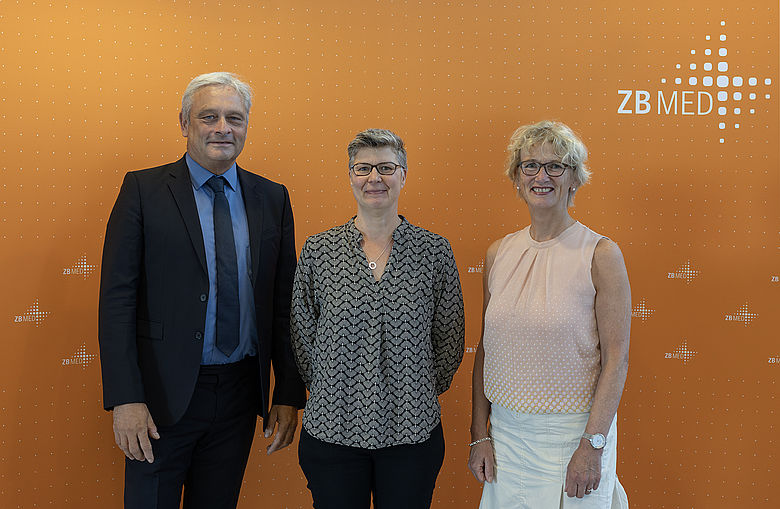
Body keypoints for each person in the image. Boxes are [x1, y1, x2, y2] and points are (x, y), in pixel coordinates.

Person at [98, 71, 306, 509]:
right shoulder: (143, 190)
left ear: (247, 125)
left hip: (237, 393)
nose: (222, 128)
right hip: (158, 398)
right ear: (184, 122)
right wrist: (126, 398)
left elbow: (285, 307)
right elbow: (117, 301)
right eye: (209, 116)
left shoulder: (272, 197)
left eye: (235, 117)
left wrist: (287, 394)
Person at [290, 128, 465, 509]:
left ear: (404, 174)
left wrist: (413, 389)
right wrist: (332, 387)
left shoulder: (434, 251)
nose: (374, 178)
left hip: (412, 433)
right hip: (332, 430)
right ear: (350, 175)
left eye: (386, 167)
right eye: (363, 168)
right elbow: (303, 335)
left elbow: (449, 339)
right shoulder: (319, 250)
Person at [468, 120, 631, 508]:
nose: (542, 176)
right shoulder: (498, 253)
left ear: (574, 178)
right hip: (506, 442)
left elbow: (617, 360)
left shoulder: (601, 255)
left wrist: (593, 446)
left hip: (574, 442)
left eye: (556, 166)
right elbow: (486, 351)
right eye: (530, 165)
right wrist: (479, 434)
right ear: (517, 177)